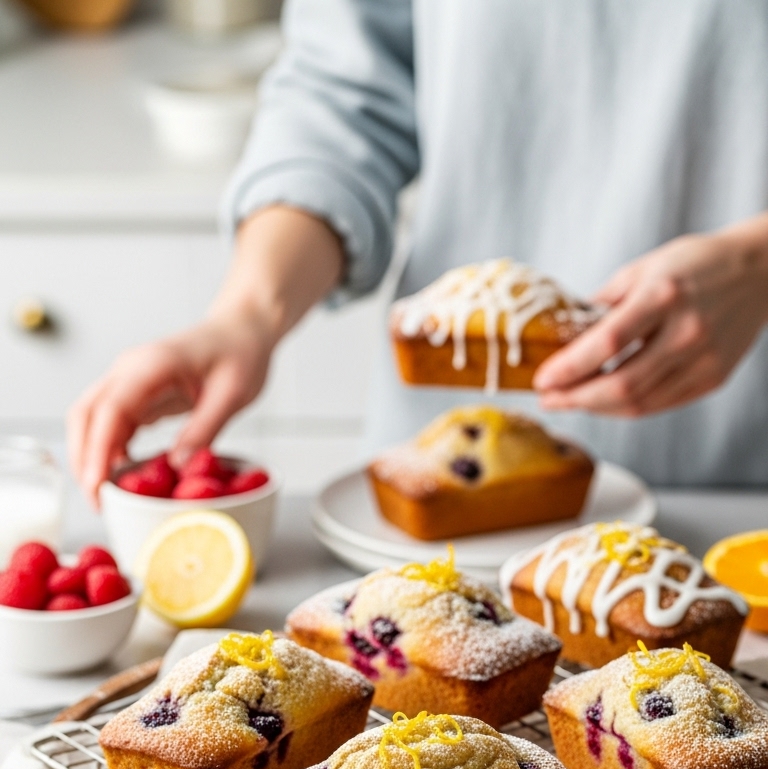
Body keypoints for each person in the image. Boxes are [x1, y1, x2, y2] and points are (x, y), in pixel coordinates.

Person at [69, 0, 768, 504]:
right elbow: (345, 91)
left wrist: (756, 263)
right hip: (433, 487)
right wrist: (248, 311)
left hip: (743, 470)